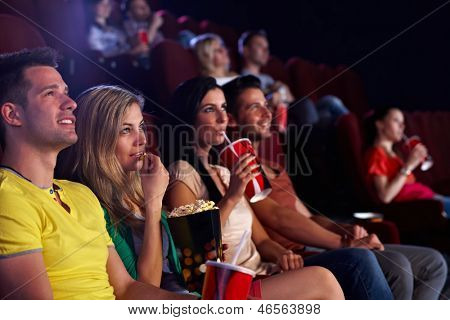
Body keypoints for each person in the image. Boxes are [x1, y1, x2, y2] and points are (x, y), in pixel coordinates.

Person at [221, 75, 448, 300]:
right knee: (396, 265)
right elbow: (278, 217)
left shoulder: (274, 167)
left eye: (266, 105)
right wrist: (344, 243)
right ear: (231, 119)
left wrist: (344, 230)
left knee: (433, 262)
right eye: (254, 107)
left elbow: (307, 217)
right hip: (295, 256)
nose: (267, 113)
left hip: (318, 244)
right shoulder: (237, 171)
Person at [0, 47, 192, 300]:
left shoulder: (80, 194)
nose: (71, 103)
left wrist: (207, 307)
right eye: (50, 94)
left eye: (66, 93)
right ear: (13, 115)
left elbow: (126, 289)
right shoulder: (8, 197)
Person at [163, 77, 346, 300]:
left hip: (261, 272)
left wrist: (282, 254)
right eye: (210, 109)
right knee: (323, 279)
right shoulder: (181, 174)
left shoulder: (223, 172)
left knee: (339, 270)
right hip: (226, 287)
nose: (223, 118)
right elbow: (194, 255)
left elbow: (261, 241)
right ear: (188, 119)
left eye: (223, 108)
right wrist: (231, 198)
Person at [56, 85, 187, 293]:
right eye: (126, 130)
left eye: (141, 126)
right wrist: (153, 205)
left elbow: (170, 268)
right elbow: (144, 288)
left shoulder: (141, 185)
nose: (142, 140)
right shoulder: (89, 202)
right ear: (98, 140)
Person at [238, 30, 349, 128]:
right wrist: (272, 97)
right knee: (308, 106)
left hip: (297, 113)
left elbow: (291, 100)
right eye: (259, 45)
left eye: (266, 46)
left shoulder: (267, 78)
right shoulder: (242, 79)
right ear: (246, 50)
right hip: (287, 119)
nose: (266, 50)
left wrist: (283, 89)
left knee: (330, 102)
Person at [364, 107, 450, 217]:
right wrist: (409, 166)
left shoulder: (394, 154)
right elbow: (385, 196)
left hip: (431, 199)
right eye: (396, 120)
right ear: (380, 124)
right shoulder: (376, 154)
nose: (402, 126)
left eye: (403, 122)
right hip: (426, 206)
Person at [122, 0, 165, 68]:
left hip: (165, 51)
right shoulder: (129, 25)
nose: (144, 8)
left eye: (145, 4)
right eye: (139, 7)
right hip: (150, 59)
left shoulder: (150, 20)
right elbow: (145, 42)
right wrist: (154, 25)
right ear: (130, 13)